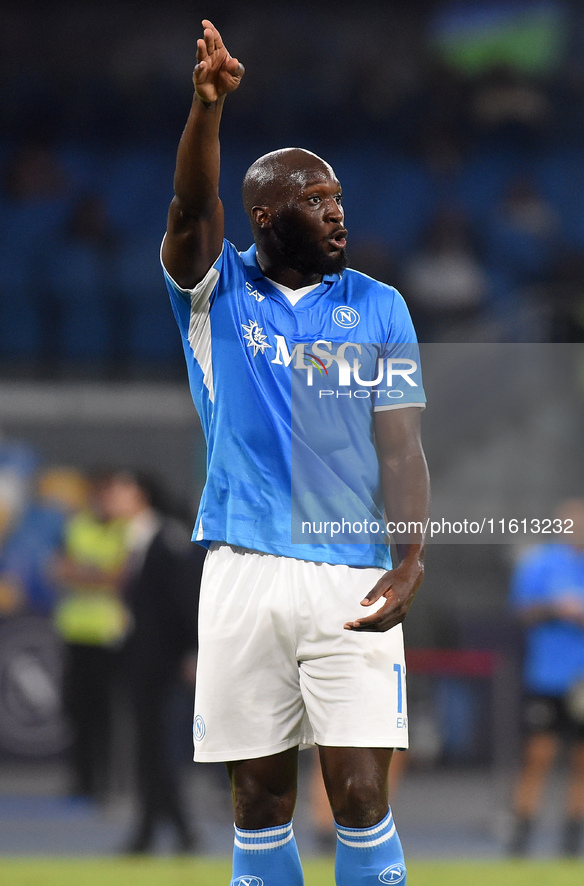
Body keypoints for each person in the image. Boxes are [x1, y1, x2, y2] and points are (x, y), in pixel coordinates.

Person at [161, 21, 429, 886]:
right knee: (259, 802)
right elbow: (188, 210)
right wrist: (207, 111)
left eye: (339, 196)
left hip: (350, 572)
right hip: (242, 568)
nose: (336, 210)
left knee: (358, 795)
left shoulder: (379, 306)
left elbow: (402, 446)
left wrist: (412, 558)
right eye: (315, 200)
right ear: (268, 215)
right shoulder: (217, 293)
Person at [103, 469, 205, 854]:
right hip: (139, 659)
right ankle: (165, 831)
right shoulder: (136, 540)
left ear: (141, 495)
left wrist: (193, 652)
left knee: (158, 747)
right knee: (149, 747)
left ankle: (167, 831)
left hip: (162, 662)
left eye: (120, 488)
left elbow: (185, 599)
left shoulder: (167, 540)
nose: (111, 496)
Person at [508, 498, 584, 857]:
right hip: (546, 676)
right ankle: (522, 835)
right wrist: (557, 608)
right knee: (538, 755)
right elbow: (522, 612)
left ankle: (573, 838)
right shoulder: (540, 563)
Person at [51, 468, 130, 800]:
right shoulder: (76, 525)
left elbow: (120, 578)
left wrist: (83, 574)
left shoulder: (124, 530)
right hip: (75, 632)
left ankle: (104, 780)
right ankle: (81, 778)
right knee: (75, 709)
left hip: (108, 635)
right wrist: (97, 575)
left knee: (106, 713)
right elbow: (58, 569)